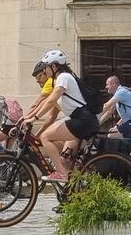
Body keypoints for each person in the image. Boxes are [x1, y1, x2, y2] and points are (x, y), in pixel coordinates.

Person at [23, 50, 96, 182]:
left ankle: (61, 173)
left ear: (54, 66)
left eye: (46, 67)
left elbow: (51, 100)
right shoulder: (61, 78)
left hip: (82, 119)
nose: (45, 70)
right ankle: (69, 179)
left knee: (45, 137)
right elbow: (47, 102)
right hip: (79, 118)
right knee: (58, 148)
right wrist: (28, 117)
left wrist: (34, 118)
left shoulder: (63, 77)